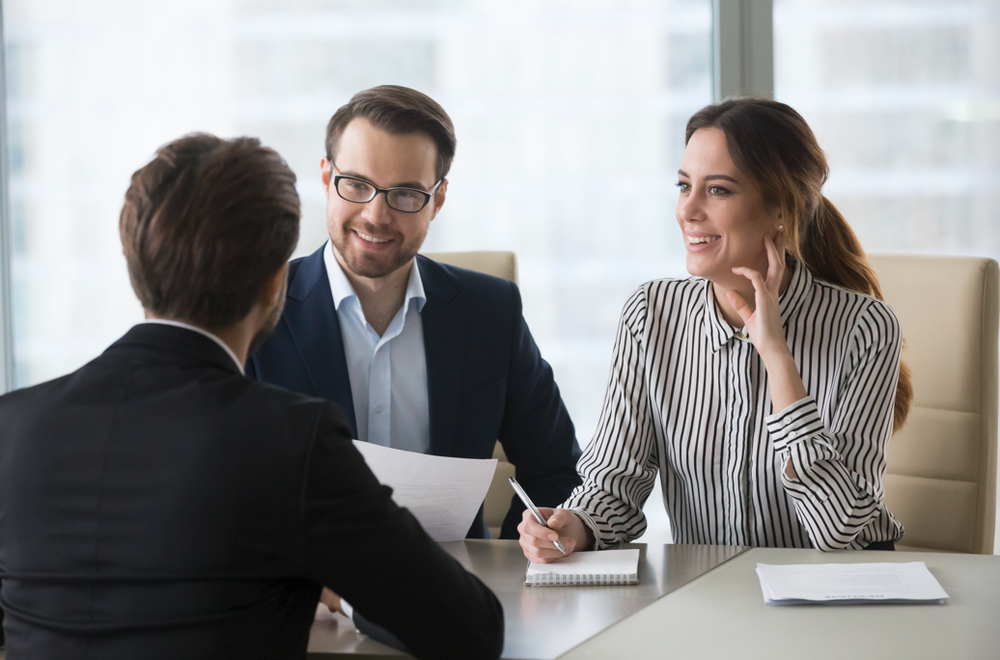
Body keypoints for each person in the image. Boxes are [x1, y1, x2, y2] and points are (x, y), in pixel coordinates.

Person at [0, 134, 504, 659]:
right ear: (275, 283)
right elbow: (470, 629)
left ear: (133, 263)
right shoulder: (291, 439)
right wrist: (339, 587)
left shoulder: (12, 424)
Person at [519, 98, 914, 562]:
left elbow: (840, 530)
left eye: (718, 190)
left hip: (828, 593)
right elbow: (613, 484)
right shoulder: (652, 313)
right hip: (706, 591)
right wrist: (576, 525)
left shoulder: (864, 326)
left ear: (781, 208)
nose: (687, 210)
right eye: (684, 186)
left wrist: (777, 357)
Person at [247, 85, 581, 539]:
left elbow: (558, 469)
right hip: (304, 579)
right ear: (326, 179)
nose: (376, 215)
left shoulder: (491, 312)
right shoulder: (255, 307)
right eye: (356, 185)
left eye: (405, 194)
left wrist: (512, 561)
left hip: (457, 575)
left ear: (437, 200)